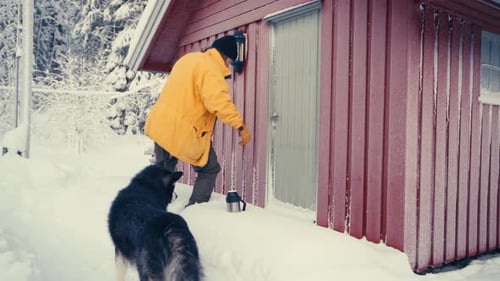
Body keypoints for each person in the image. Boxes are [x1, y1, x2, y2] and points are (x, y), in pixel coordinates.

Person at [144, 35, 252, 206]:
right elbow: (218, 102)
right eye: (229, 61)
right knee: (210, 168)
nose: (227, 65)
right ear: (225, 56)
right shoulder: (211, 69)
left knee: (164, 167)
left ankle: (154, 203)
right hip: (183, 129)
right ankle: (195, 208)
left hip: (160, 123)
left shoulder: (187, 59)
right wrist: (240, 126)